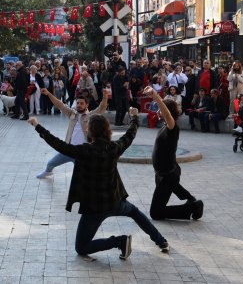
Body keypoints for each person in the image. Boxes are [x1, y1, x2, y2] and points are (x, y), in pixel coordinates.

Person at [29, 109, 169, 258]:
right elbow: (130, 135)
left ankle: (120, 242)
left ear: (90, 131)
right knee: (135, 212)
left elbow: (58, 144)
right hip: (115, 202)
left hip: (94, 208)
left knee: (82, 248)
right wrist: (135, 117)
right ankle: (161, 241)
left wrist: (38, 126)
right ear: (107, 130)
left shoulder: (84, 151)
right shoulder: (114, 147)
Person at [143, 86, 204, 221]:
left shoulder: (172, 127)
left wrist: (155, 95)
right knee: (174, 186)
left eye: (161, 109)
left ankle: (193, 207)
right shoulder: (165, 125)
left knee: (156, 213)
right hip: (165, 174)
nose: (158, 111)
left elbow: (166, 113)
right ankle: (192, 200)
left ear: (167, 112)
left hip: (167, 176)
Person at [36, 88, 109, 179]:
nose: (79, 105)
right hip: (69, 149)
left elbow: (101, 109)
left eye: (82, 103)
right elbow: (60, 104)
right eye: (77, 103)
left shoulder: (90, 116)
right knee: (50, 163)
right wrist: (49, 94)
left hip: (82, 153)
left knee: (84, 174)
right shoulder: (72, 113)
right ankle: (48, 172)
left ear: (87, 105)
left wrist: (105, 97)